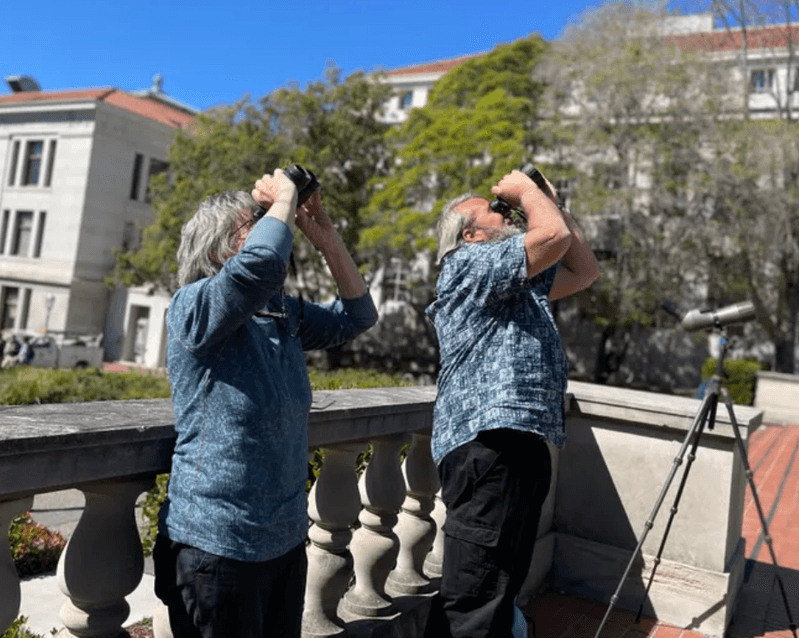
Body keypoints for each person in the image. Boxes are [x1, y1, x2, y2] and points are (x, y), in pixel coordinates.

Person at [153, 169, 377, 638]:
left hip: (284, 540)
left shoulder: (282, 313)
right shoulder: (194, 305)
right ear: (218, 250)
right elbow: (258, 266)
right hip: (217, 545)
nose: (273, 225)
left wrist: (326, 237)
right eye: (252, 222)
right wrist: (285, 198)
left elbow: (358, 315)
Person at [425, 168, 600, 638]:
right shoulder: (466, 265)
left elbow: (583, 270)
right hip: (486, 448)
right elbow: (553, 236)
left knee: (498, 590)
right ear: (471, 233)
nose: (509, 213)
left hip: (520, 446)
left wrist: (550, 200)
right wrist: (527, 191)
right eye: (496, 211)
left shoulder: (516, 281)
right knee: (474, 597)